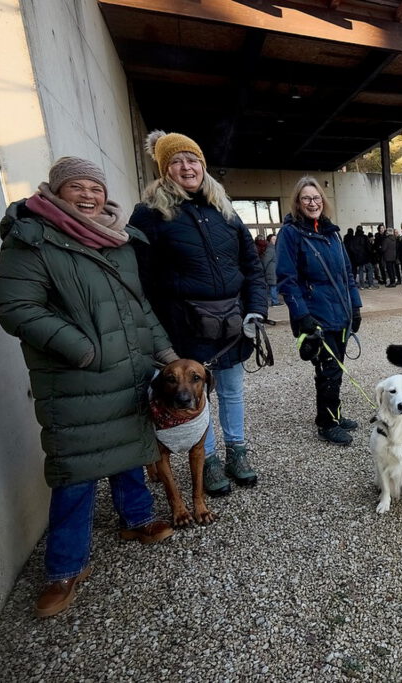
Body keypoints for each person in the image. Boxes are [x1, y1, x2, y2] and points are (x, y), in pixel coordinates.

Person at [0, 157, 177, 618]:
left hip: (128, 368)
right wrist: (82, 349)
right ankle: (64, 569)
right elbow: (15, 306)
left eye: (95, 187)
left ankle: (135, 519)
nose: (89, 196)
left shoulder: (120, 240)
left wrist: (167, 353)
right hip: (76, 376)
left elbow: (141, 308)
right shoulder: (32, 237)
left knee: (130, 447)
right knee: (76, 468)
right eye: (77, 187)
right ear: (57, 190)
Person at [131, 131, 267, 494]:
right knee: (195, 395)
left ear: (202, 166)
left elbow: (252, 267)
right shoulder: (148, 215)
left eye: (192, 160)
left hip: (233, 323)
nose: (186, 166)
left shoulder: (225, 211)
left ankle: (237, 450)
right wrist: (157, 332)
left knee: (233, 391)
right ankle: (206, 459)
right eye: (176, 161)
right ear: (164, 170)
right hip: (185, 326)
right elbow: (141, 280)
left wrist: (256, 309)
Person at [276, 176, 364, 445]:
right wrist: (302, 317)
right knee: (328, 370)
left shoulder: (332, 233)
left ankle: (333, 414)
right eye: (306, 198)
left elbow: (347, 273)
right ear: (297, 202)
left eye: (316, 198)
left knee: (336, 370)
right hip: (316, 316)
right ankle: (327, 424)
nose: (312, 203)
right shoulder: (291, 234)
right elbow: (286, 279)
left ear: (322, 202)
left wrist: (356, 306)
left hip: (341, 314)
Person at [265, 233, 283, 305]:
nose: (275, 240)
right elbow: (265, 260)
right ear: (270, 240)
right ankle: (274, 302)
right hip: (271, 272)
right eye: (273, 239)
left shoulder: (275, 248)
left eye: (276, 239)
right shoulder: (270, 249)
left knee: (273, 287)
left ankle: (273, 301)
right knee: (273, 287)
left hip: (274, 272)